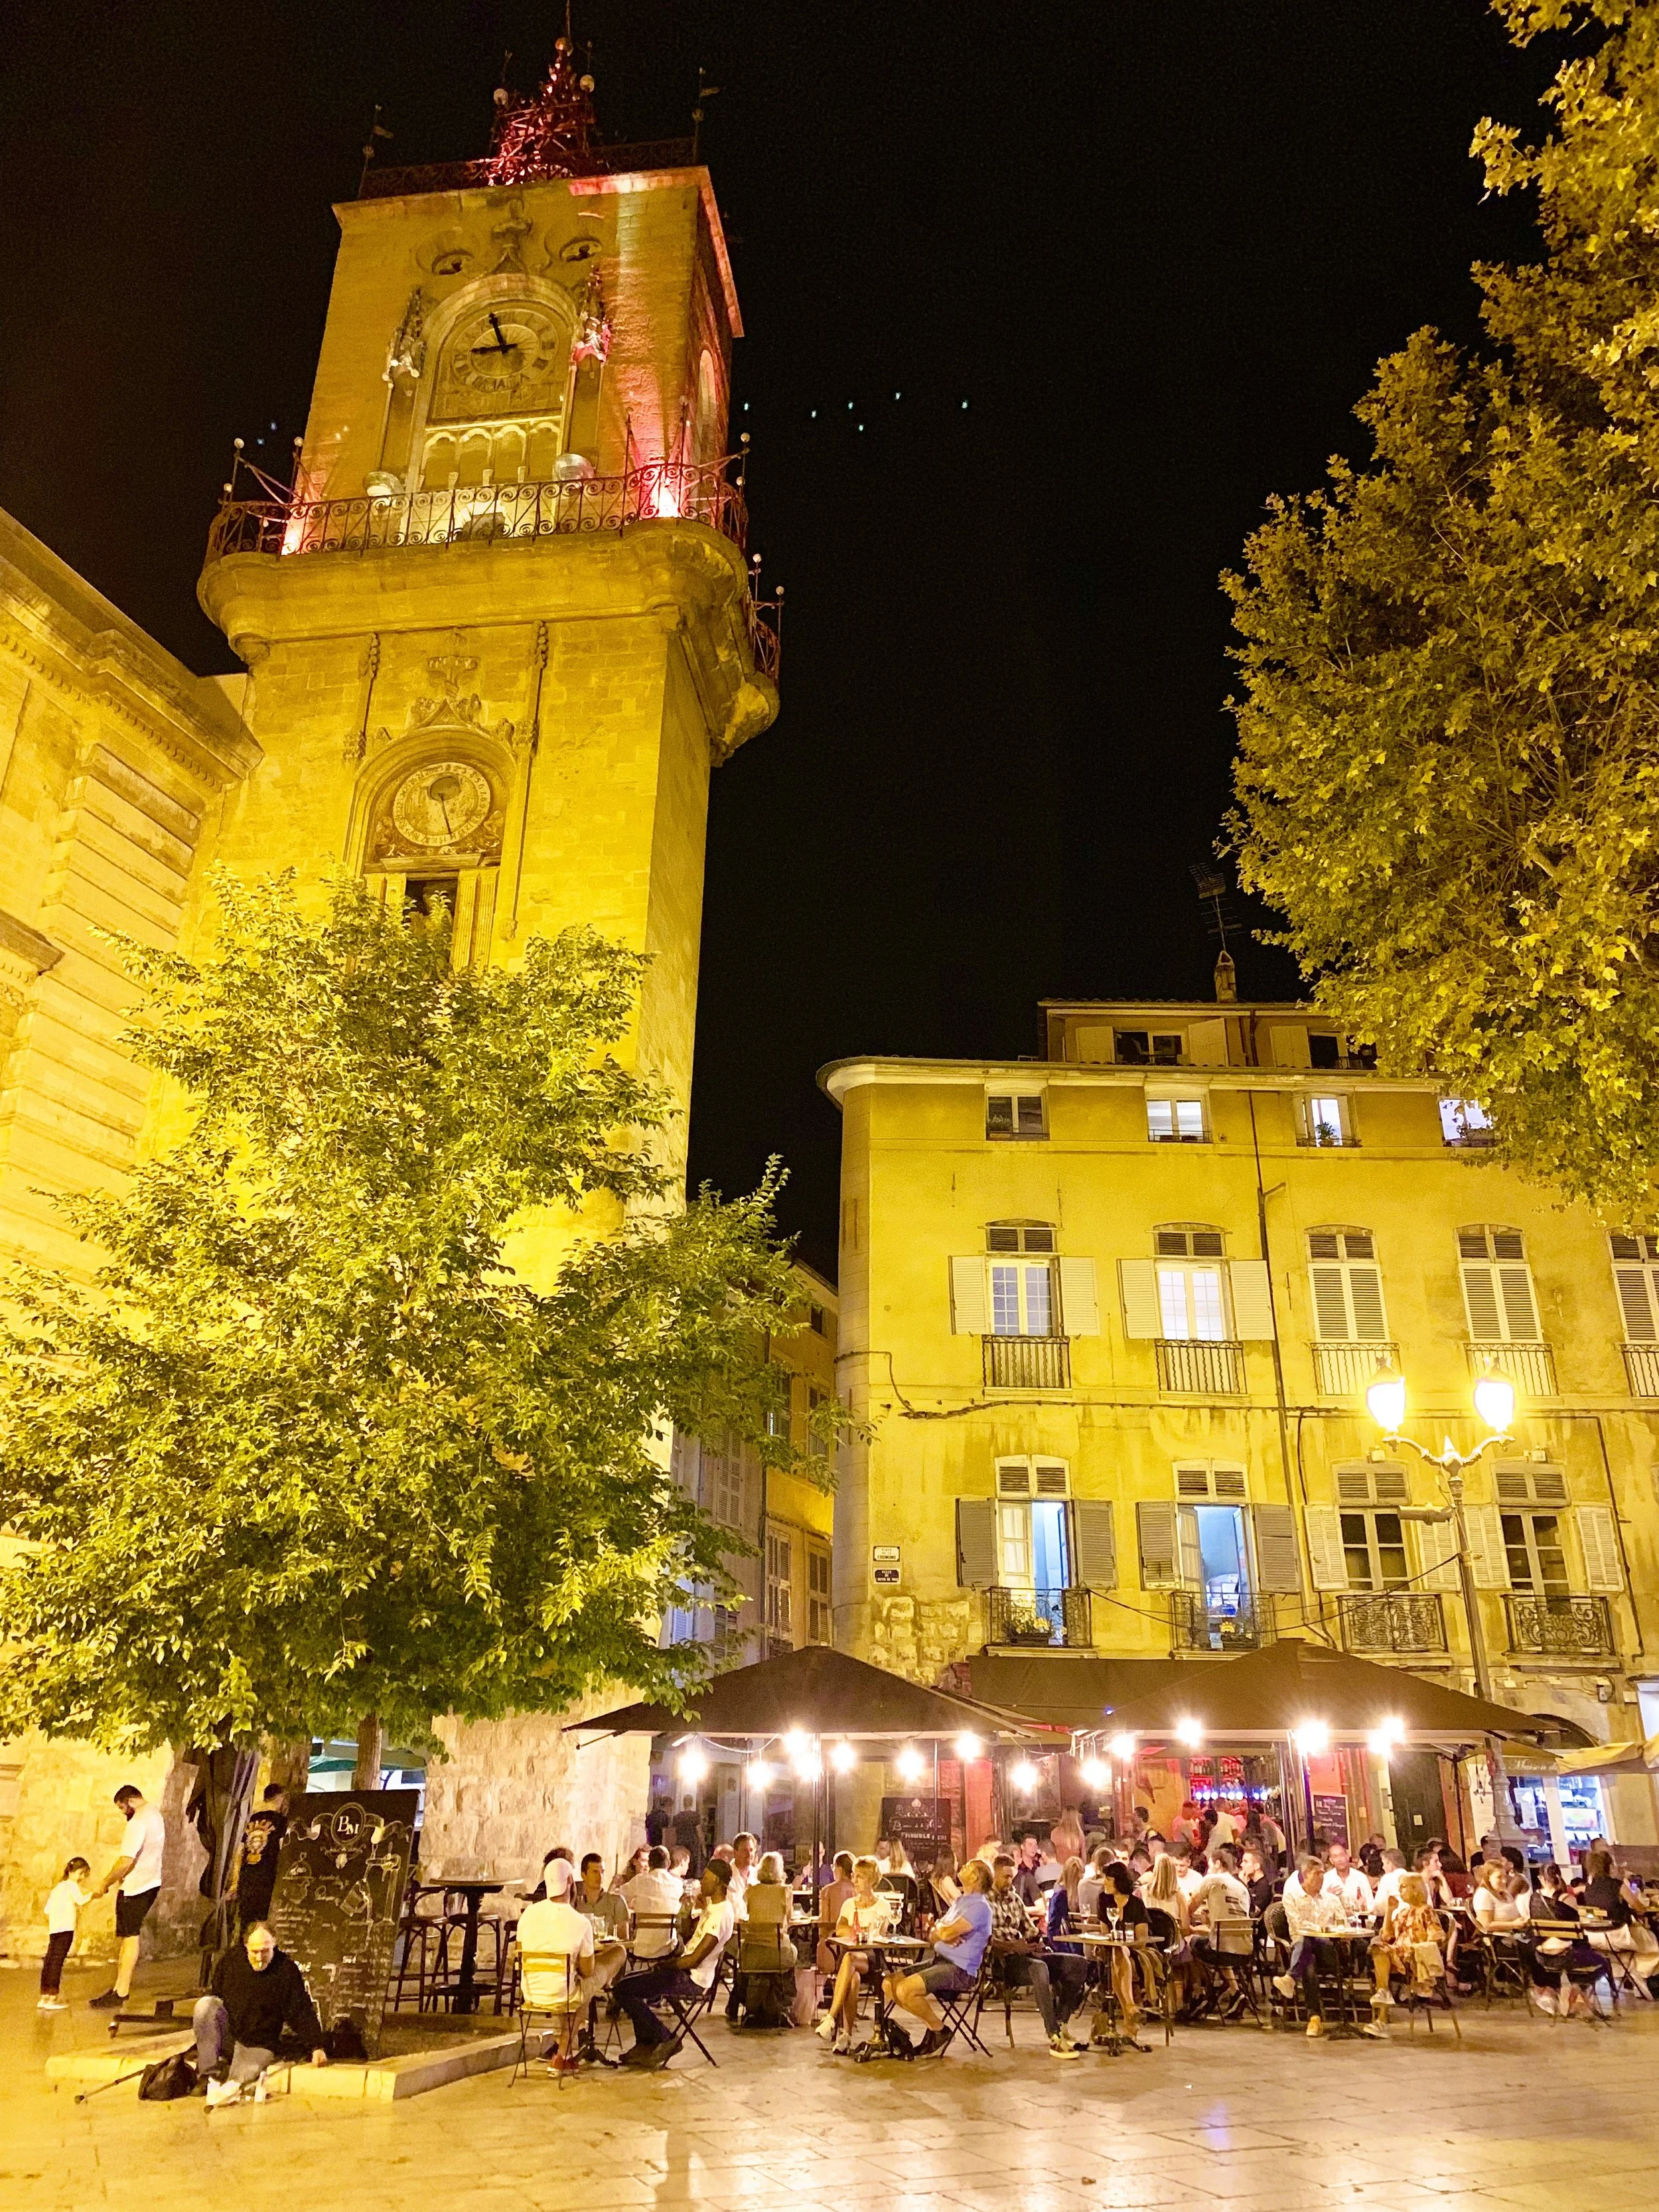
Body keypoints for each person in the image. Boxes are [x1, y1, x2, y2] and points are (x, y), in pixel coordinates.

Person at [615, 1858, 737, 2069]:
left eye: (706, 1877)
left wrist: (666, 1965)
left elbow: (695, 1958)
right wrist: (689, 1912)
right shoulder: (713, 1909)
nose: (702, 1881)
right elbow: (690, 1937)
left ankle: (663, 2038)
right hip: (686, 1972)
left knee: (624, 1989)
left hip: (692, 1979)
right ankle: (646, 2043)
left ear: (717, 1881)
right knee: (627, 1985)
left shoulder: (721, 1915)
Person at [194, 1919, 328, 2106]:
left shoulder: (286, 1970)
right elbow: (217, 1996)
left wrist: (316, 2045)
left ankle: (232, 2079)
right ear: (246, 1947)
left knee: (236, 2083)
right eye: (254, 1952)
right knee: (205, 2005)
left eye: (265, 1952)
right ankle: (208, 2075)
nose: (259, 1958)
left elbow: (300, 2010)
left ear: (274, 1945)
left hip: (259, 2043)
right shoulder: (231, 1961)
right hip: (232, 2034)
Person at [884, 1858, 993, 2057]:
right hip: (940, 1960)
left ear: (976, 1878)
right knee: (889, 1983)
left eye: (969, 1867)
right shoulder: (961, 1902)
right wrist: (941, 1930)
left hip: (960, 1970)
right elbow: (934, 1934)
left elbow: (942, 1932)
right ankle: (935, 2029)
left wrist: (942, 1930)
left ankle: (939, 2031)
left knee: (905, 1989)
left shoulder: (980, 1907)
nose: (963, 1867)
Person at [513, 1858, 596, 2074]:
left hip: (530, 1994)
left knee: (570, 1986)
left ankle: (565, 2053)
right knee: (590, 1984)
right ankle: (563, 2053)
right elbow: (588, 1971)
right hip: (562, 1995)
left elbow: (519, 1952)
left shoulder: (527, 1915)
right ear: (570, 1882)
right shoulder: (581, 1922)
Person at [88, 1785, 167, 2008]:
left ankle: (121, 1990)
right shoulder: (155, 1814)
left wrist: (104, 1883)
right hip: (151, 1882)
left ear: (130, 1801)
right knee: (128, 1936)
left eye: (123, 1808)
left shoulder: (138, 1821)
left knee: (130, 1937)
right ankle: (118, 1987)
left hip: (136, 1888)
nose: (123, 1813)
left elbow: (126, 1860)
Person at [818, 1854, 891, 2053]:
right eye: (853, 1875)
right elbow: (840, 1929)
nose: (854, 1880)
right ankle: (846, 2036)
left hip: (872, 1958)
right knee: (853, 1979)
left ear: (870, 1880)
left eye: (859, 1877)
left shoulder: (883, 1905)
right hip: (851, 1959)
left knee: (850, 1959)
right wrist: (862, 1932)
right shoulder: (849, 1904)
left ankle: (831, 2018)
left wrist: (857, 1933)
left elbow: (879, 1935)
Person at [1273, 1856, 1350, 2037]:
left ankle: (1291, 1978)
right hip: (1303, 1948)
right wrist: (1318, 1930)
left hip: (1328, 1948)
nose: (1322, 1877)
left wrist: (1321, 1931)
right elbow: (1297, 1924)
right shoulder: (1292, 1897)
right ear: (1306, 1874)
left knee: (1308, 1940)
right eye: (1317, 1874)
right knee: (1308, 1958)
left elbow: (1342, 1925)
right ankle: (1314, 2019)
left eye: (1323, 1873)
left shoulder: (1332, 1899)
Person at [1364, 1874, 1448, 2036]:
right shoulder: (1403, 1913)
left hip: (1415, 1956)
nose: (1399, 1890)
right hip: (1398, 1954)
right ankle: (1383, 2003)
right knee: (1378, 1947)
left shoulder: (1426, 1911)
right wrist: (1389, 1911)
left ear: (1414, 1889)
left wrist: (1419, 1948)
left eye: (1403, 1887)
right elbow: (1387, 1936)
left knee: (1380, 1952)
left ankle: (1382, 2016)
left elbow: (1436, 1937)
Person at [1188, 1843, 1254, 2018]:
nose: (1208, 1870)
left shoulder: (1211, 1880)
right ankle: (1235, 1992)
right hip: (1245, 1950)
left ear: (1217, 1863)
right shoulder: (1242, 1887)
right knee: (1220, 1942)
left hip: (1220, 1950)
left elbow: (1190, 1907)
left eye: (1209, 1865)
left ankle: (1200, 1993)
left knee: (1191, 1943)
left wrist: (1187, 1922)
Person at [573, 1852, 632, 2031]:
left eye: (602, 1872)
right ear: (583, 1875)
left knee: (619, 1952)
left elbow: (624, 1940)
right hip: (583, 1958)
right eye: (594, 1872)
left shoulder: (616, 1901)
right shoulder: (575, 1903)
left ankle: (581, 2023)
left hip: (604, 1956)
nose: (599, 1877)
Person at [1096, 1861, 1151, 2043]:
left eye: (1108, 1879)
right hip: (1113, 1953)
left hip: (1136, 1953)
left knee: (1118, 1956)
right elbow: (1105, 1933)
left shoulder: (1136, 1904)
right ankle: (1130, 2008)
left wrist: (1125, 1944)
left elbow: (1142, 1939)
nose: (1104, 1883)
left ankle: (1128, 2010)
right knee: (1117, 1954)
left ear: (1119, 1882)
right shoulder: (1104, 1900)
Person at [38, 1857, 92, 2013]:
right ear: (72, 1872)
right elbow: (81, 1901)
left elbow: (47, 1910)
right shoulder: (71, 1886)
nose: (82, 1877)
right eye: (81, 1873)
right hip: (66, 1928)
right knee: (57, 1962)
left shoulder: (58, 1888)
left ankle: (44, 1996)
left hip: (54, 1929)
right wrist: (94, 1894)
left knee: (50, 1960)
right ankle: (53, 1997)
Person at [619, 1845, 684, 1958]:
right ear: (669, 1864)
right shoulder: (677, 1884)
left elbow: (619, 1896)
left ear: (649, 1863)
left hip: (641, 1948)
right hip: (668, 1948)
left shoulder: (639, 1881)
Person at [236, 1808, 287, 1932]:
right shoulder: (279, 1820)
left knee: (246, 1922)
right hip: (266, 1882)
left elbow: (239, 1850)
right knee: (260, 1925)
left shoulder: (249, 1818)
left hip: (247, 1881)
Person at [1325, 1842, 1374, 1917]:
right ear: (1331, 1860)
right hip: (1336, 1921)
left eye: (1341, 1855)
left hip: (1359, 1921)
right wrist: (1327, 1895)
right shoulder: (1326, 1879)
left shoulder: (1361, 1877)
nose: (1339, 1860)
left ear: (1347, 1857)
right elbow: (1321, 1909)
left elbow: (1371, 1905)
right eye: (1335, 1857)